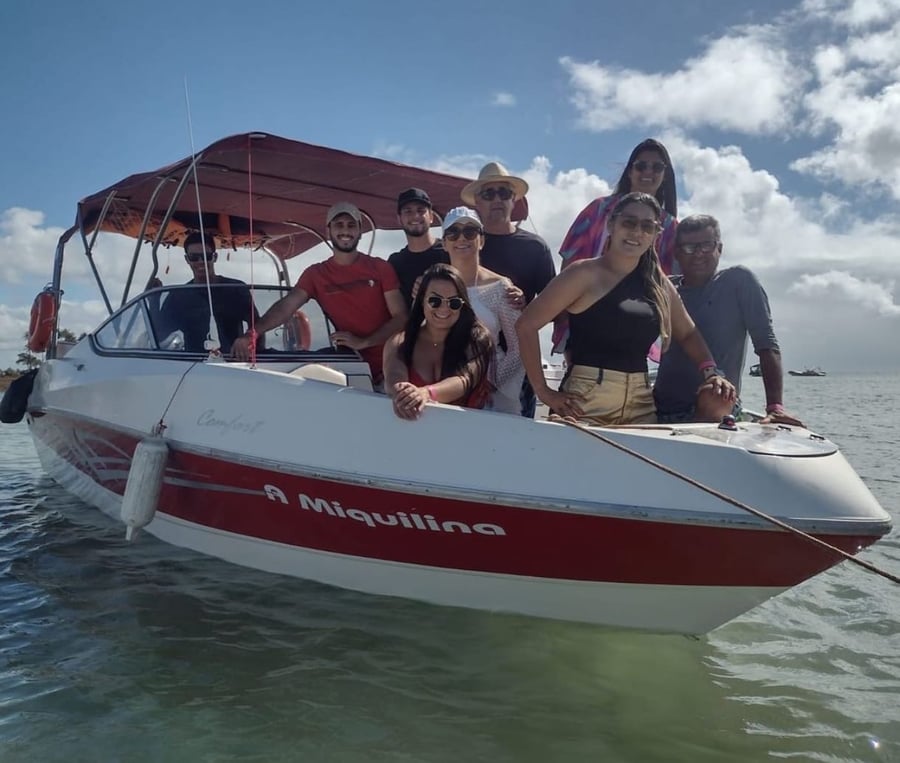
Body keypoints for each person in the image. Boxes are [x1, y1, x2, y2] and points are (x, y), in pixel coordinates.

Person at [515, 193, 735, 425]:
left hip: (641, 401)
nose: (637, 232)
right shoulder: (583, 274)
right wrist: (543, 391)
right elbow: (526, 325)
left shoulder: (657, 283)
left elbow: (688, 333)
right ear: (612, 224)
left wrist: (711, 371)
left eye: (647, 226)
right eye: (629, 222)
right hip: (583, 401)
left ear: (655, 234)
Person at [231, 202, 407, 386]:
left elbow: (401, 317)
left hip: (389, 367)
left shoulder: (380, 268)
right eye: (338, 225)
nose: (345, 231)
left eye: (351, 225)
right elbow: (286, 307)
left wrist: (364, 342)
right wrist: (252, 333)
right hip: (348, 365)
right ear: (328, 230)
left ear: (360, 231)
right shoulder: (316, 274)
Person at [653, 214, 803, 425]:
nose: (698, 254)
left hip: (718, 405)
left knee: (714, 395)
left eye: (706, 245)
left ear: (719, 249)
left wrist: (775, 407)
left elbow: (767, 344)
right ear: (676, 253)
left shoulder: (738, 281)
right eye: (688, 247)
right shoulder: (664, 289)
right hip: (661, 407)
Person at [552, 138, 678, 354]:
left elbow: (672, 285)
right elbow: (569, 263)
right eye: (641, 165)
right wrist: (565, 326)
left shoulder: (670, 227)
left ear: (665, 176)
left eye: (657, 167)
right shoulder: (598, 209)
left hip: (636, 332)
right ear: (630, 171)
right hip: (585, 321)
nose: (648, 171)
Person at [461, 161, 556, 416]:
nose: (497, 200)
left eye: (504, 193)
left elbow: (555, 307)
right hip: (462, 366)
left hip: (520, 366)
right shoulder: (461, 244)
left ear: (514, 200)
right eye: (488, 193)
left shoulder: (536, 247)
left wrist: (528, 307)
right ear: (477, 202)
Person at [439, 207, 525, 415]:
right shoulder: (434, 285)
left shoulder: (501, 287)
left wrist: (490, 384)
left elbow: (519, 346)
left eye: (470, 232)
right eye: (453, 232)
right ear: (444, 243)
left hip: (494, 396)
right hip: (442, 386)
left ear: (481, 240)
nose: (462, 238)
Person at [383, 263, 493, 420]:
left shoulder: (478, 342)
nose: (444, 308)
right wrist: (403, 393)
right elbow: (394, 373)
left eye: (453, 302)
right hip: (412, 431)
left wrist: (426, 393)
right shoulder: (400, 341)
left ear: (462, 305)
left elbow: (464, 380)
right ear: (422, 301)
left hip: (468, 434)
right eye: (435, 300)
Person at [151, 232, 258, 354]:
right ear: (187, 259)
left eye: (206, 256)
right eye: (194, 257)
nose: (200, 261)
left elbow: (256, 325)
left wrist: (255, 353)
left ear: (215, 257)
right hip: (195, 367)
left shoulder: (236, 289)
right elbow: (160, 334)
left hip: (233, 364)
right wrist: (154, 299)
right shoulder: (179, 296)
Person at [387, 188, 449, 305]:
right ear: (399, 219)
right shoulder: (394, 263)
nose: (415, 216)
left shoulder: (449, 251)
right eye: (408, 211)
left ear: (431, 216)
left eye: (421, 210)